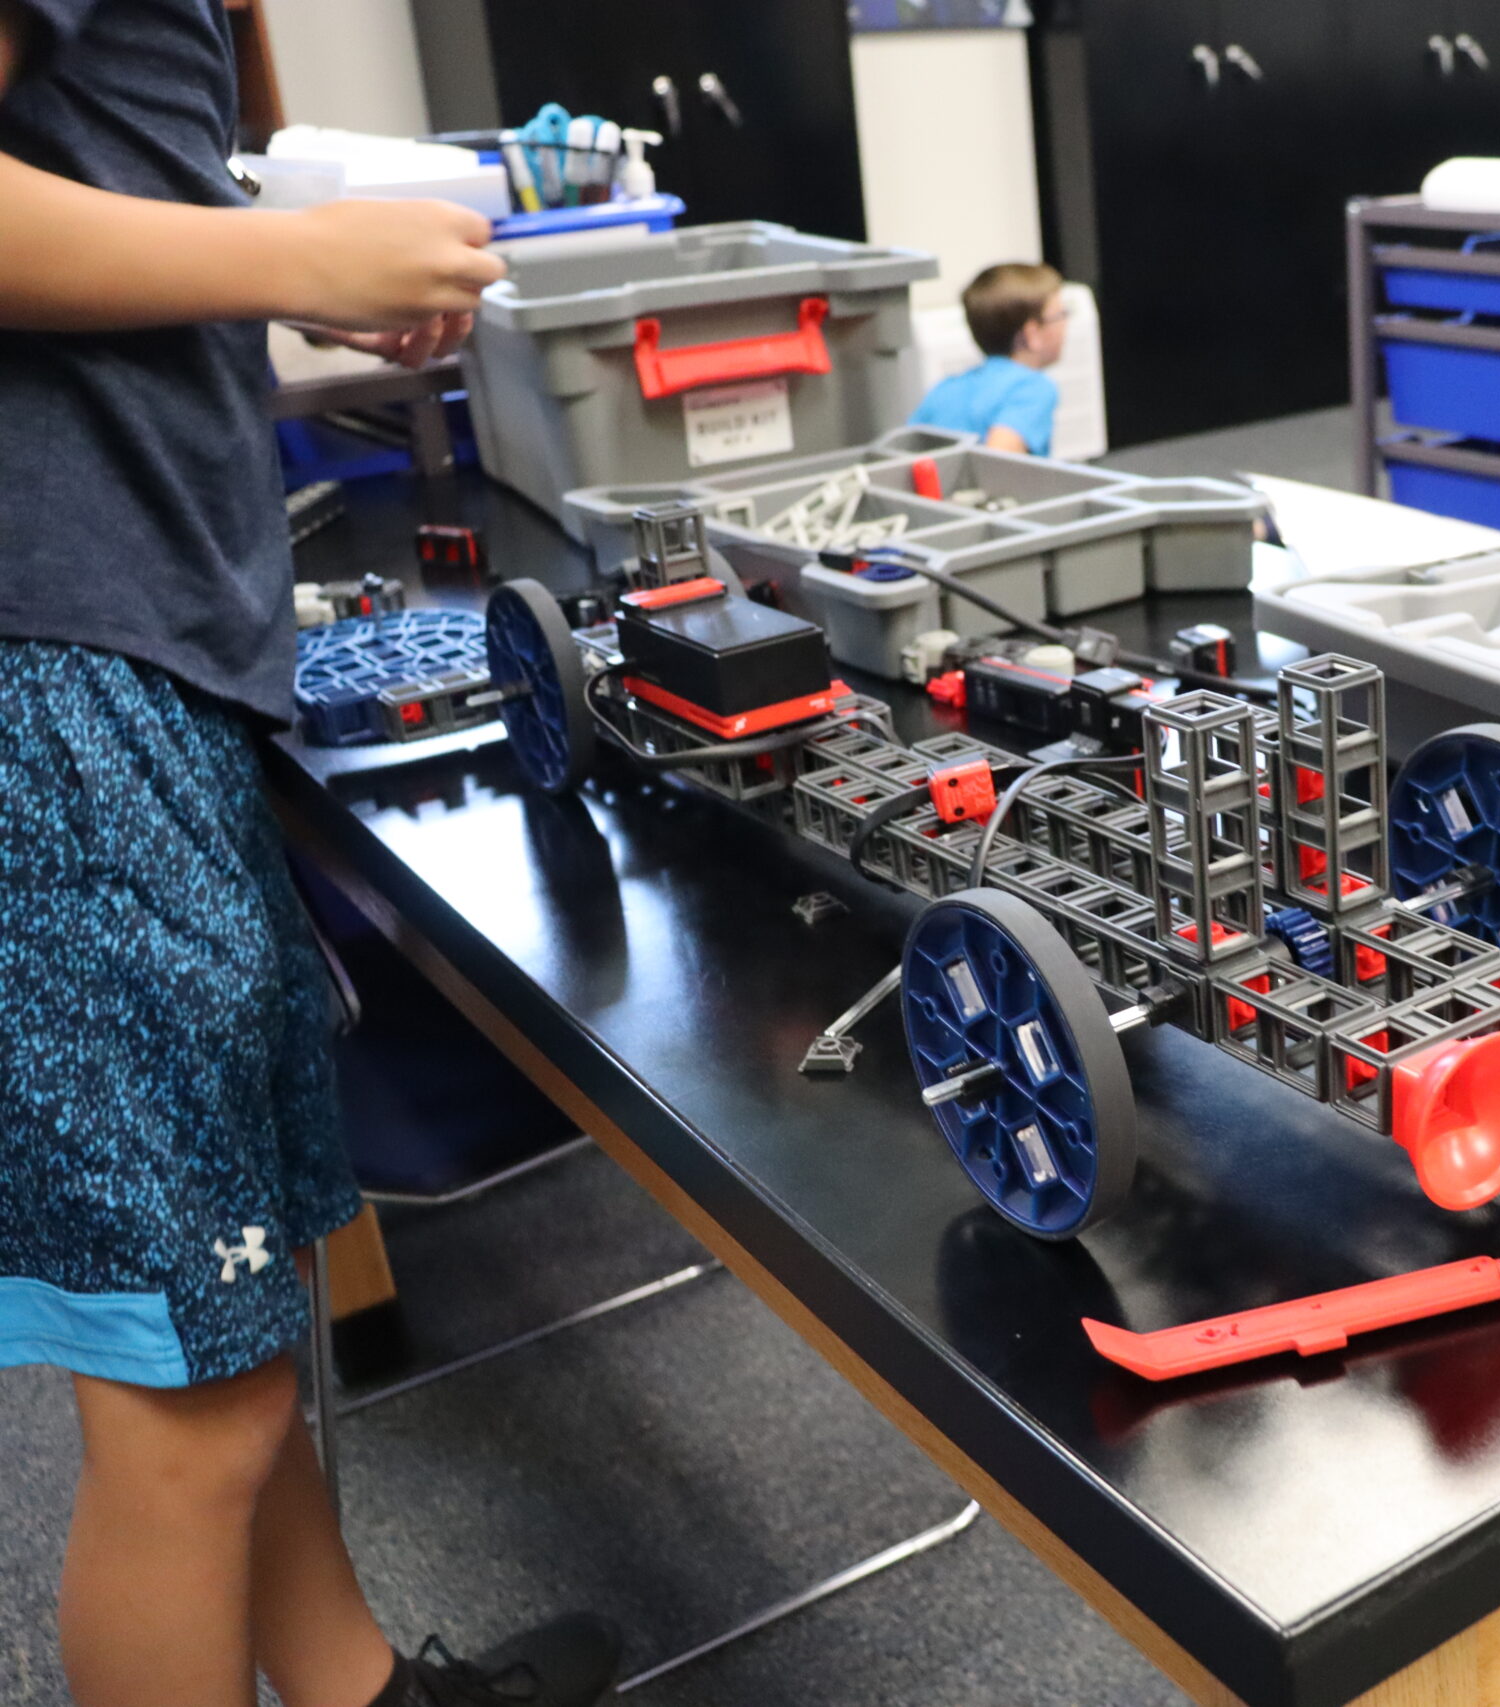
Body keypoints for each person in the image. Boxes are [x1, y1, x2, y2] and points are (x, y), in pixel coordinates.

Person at [0, 1, 619, 1704]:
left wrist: (268, 267)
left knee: (232, 1314)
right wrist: (288, 252)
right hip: (64, 682)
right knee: (187, 1417)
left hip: (141, 652)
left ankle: (361, 1690)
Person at [910, 261, 1068, 456]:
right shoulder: (1032, 388)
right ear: (1032, 333)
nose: (1066, 324)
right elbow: (998, 461)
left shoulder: (944, 389)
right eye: (1061, 315)